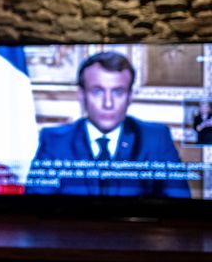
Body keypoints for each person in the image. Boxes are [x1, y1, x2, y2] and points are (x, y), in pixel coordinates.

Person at [26, 51, 190, 198]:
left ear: (129, 97)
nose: (108, 103)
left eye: (118, 92)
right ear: (81, 95)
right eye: (97, 91)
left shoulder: (156, 139)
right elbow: (37, 206)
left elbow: (180, 206)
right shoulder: (55, 140)